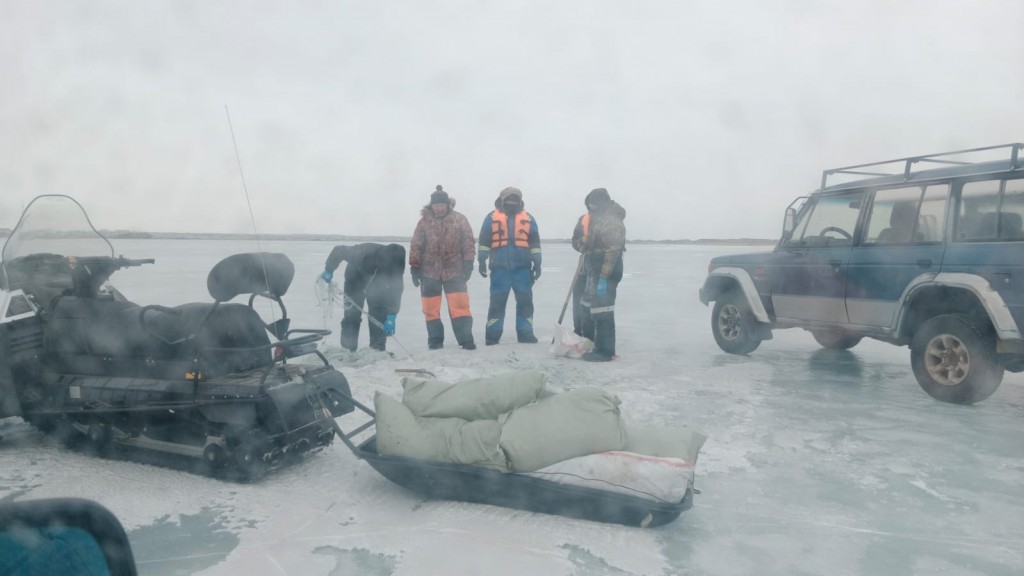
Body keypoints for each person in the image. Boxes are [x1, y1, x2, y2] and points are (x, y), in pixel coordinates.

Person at [409, 185, 477, 350]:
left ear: (448, 204)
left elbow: (468, 243)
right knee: (430, 310)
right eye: (436, 205)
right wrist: (414, 267)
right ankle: (435, 340)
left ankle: (466, 340)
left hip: (455, 270)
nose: (439, 207)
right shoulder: (424, 222)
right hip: (429, 272)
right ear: (431, 205)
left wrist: (468, 263)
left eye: (442, 204)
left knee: (460, 308)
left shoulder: (460, 219)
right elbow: (416, 244)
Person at [477, 187, 542, 345]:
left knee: (525, 302)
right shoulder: (491, 218)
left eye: (515, 199)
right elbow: (484, 241)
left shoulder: (529, 218)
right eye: (509, 199)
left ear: (519, 201)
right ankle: (492, 335)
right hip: (499, 270)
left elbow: (534, 243)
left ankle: (525, 333)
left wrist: (537, 262)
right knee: (497, 302)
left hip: (522, 269)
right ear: (502, 199)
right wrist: (481, 260)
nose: (512, 202)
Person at [320, 243, 406, 352]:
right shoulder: (363, 252)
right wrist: (329, 269)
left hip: (377, 285)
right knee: (352, 314)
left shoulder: (397, 266)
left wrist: (392, 315)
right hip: (354, 279)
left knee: (378, 316)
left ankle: (377, 351)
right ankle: (348, 350)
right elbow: (338, 250)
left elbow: (396, 290)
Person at [578, 188, 625, 362]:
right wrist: (583, 242)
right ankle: (592, 344)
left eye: (593, 204)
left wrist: (604, 278)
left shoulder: (612, 222)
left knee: (603, 309)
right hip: (595, 270)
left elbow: (612, 251)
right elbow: (593, 238)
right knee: (591, 306)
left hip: (606, 271)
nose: (591, 207)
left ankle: (605, 351)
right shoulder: (601, 219)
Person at [570, 205, 591, 336]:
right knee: (577, 295)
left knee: (593, 300)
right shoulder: (583, 219)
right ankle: (578, 330)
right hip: (584, 264)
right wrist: (580, 244)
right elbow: (575, 239)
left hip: (600, 266)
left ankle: (591, 332)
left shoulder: (608, 220)